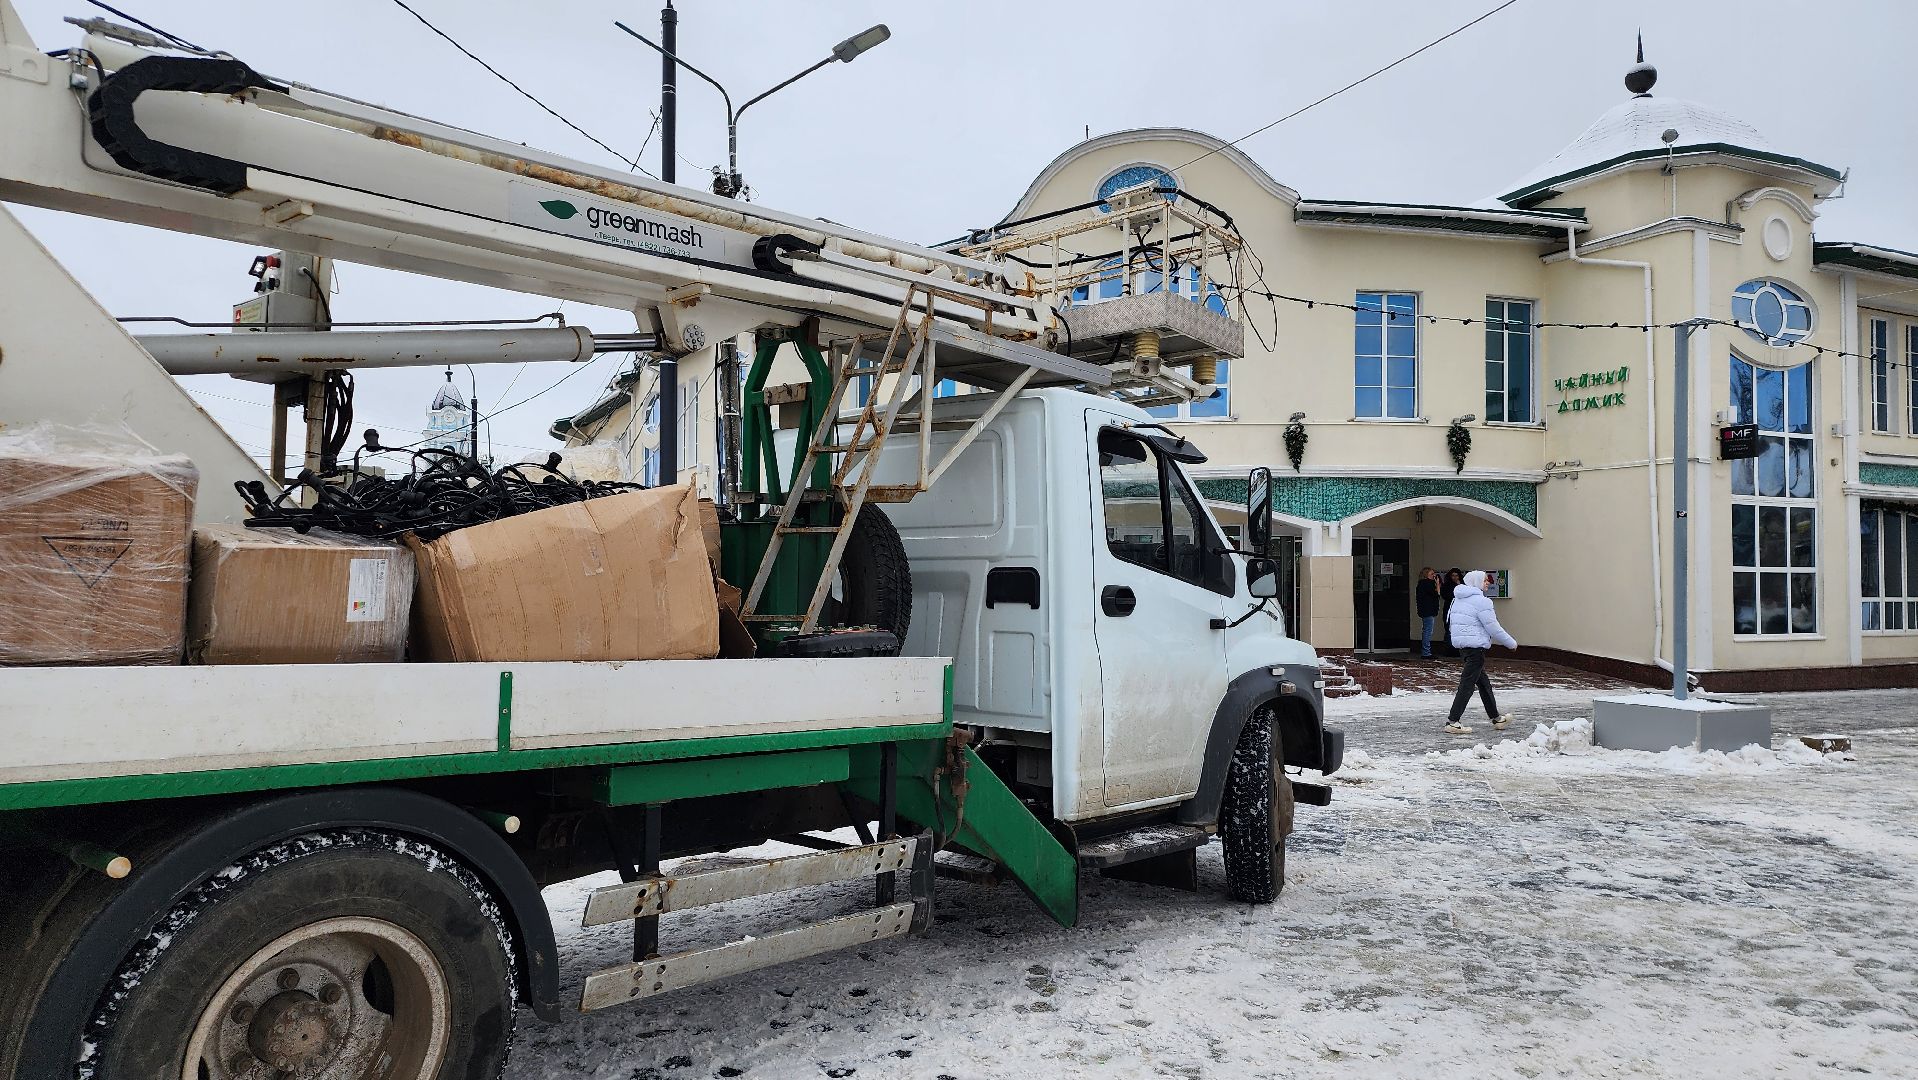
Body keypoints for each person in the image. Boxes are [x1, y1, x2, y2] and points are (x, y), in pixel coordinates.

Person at [1444, 570, 1517, 735]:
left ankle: (1496, 718)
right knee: (1467, 685)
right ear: (1476, 582)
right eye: (1485, 580)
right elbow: (1493, 627)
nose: (1488, 583)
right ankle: (1453, 721)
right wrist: (1510, 643)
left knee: (1483, 684)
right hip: (1475, 648)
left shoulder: (1458, 599)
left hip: (1464, 647)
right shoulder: (1482, 602)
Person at [1415, 567, 1441, 659]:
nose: (1434, 575)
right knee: (1428, 631)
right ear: (1426, 575)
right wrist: (1437, 584)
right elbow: (1437, 594)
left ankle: (1426, 651)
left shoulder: (1421, 584)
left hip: (1424, 610)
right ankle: (1426, 652)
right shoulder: (1428, 583)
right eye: (1432, 574)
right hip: (1428, 610)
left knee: (1426, 630)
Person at [1439, 567, 1465, 656]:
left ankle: (1458, 650)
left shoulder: (1463, 585)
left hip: (1460, 610)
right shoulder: (1446, 585)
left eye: (1456, 575)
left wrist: (1460, 586)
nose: (1454, 577)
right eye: (1452, 575)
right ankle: (1449, 650)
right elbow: (1445, 596)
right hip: (1449, 610)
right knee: (1449, 630)